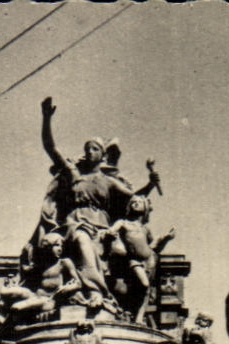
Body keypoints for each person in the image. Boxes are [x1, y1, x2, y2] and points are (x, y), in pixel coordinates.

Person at [39, 96, 160, 311]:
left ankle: (130, 305)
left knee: (121, 255)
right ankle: (95, 292)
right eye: (87, 148)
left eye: (94, 148)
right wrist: (46, 118)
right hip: (76, 225)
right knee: (82, 241)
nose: (89, 152)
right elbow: (51, 147)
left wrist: (150, 185)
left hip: (104, 229)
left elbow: (134, 197)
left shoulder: (109, 182)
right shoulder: (74, 174)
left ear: (103, 155)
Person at [106, 194, 175, 323]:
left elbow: (153, 247)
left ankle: (139, 317)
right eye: (133, 202)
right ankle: (132, 312)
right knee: (144, 284)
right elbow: (111, 230)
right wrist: (110, 232)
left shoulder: (145, 229)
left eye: (139, 202)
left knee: (146, 290)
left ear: (145, 208)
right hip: (134, 260)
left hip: (149, 260)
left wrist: (165, 238)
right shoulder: (123, 223)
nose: (135, 204)